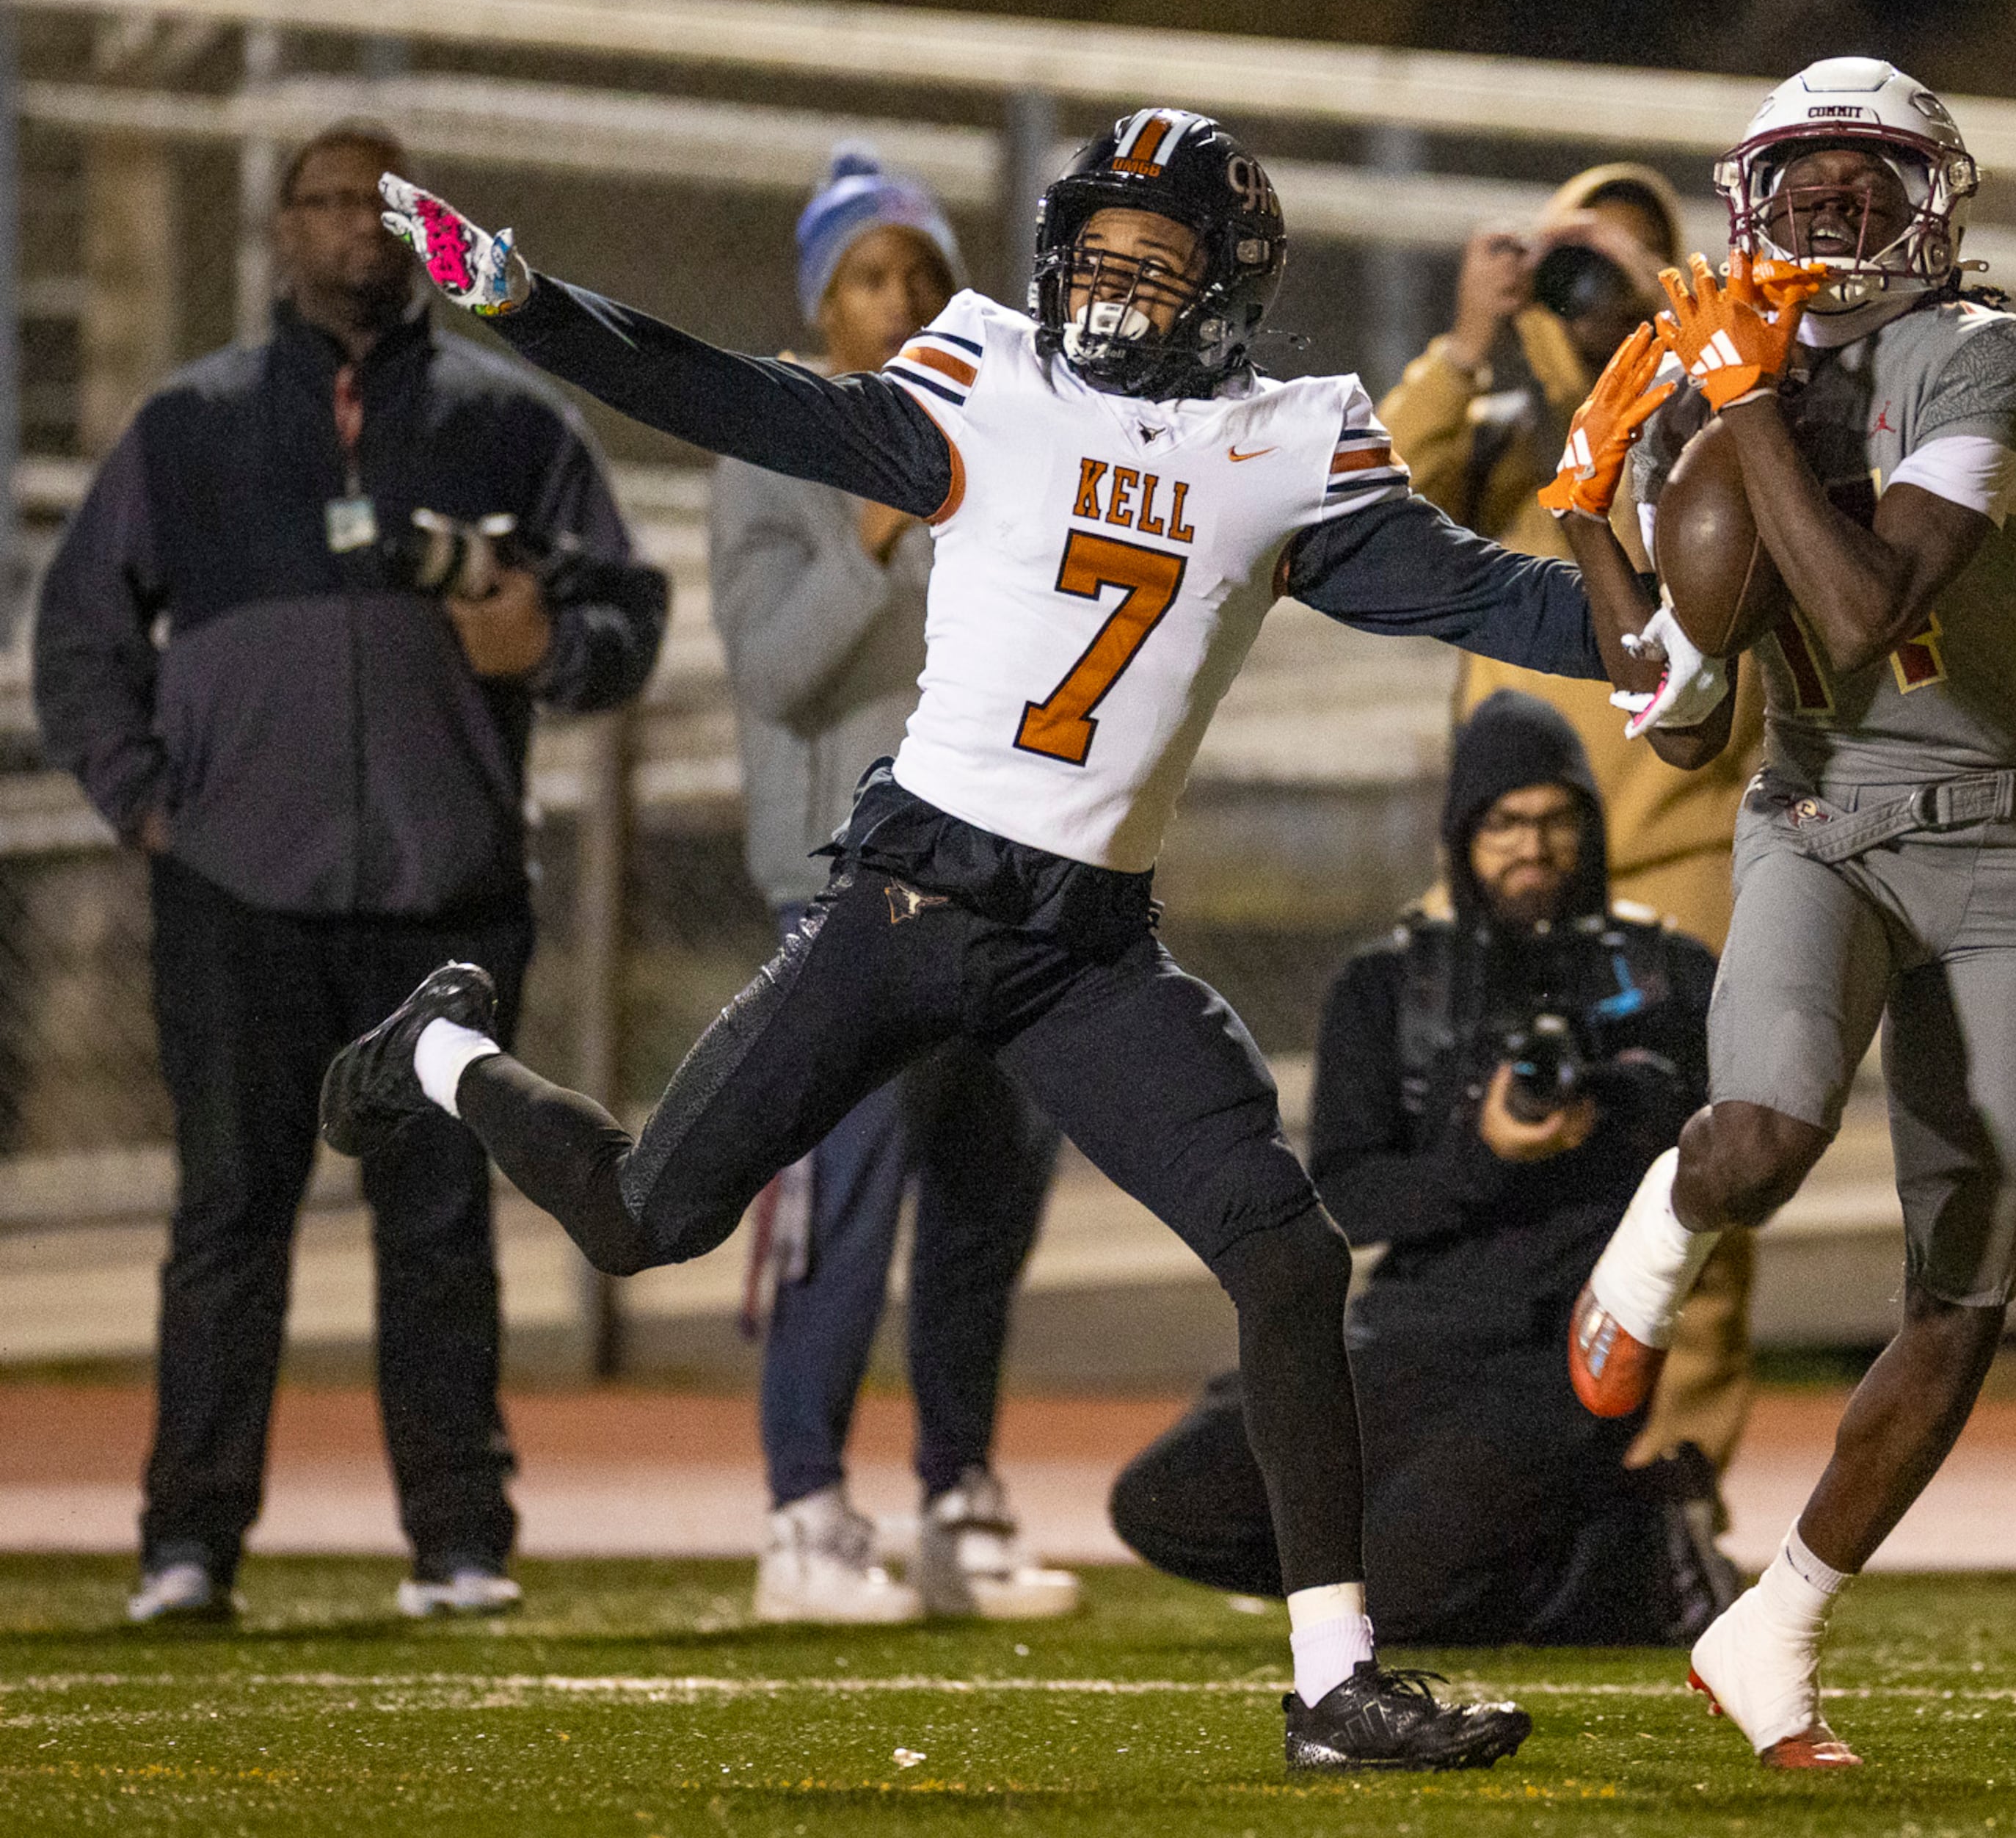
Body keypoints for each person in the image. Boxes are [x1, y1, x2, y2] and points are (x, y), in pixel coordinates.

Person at [322, 106, 1665, 1771]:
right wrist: (534, 306)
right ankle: (438, 1045)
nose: (1110, 289)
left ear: (1229, 282)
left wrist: (1669, 612)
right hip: (906, 901)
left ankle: (1336, 1684)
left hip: (1084, 948)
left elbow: (1497, 599)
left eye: (1152, 261)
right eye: (1093, 252)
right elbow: (741, 397)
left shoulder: (1289, 442)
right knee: (642, 1217)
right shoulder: (985, 377)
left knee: (1289, 1251)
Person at [31, 120, 667, 1624]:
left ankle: (458, 1541)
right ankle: (188, 1547)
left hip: (448, 902)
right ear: (279, 231)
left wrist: (552, 647)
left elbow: (624, 614)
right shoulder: (183, 429)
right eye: (325, 202)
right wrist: (148, 809)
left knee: (442, 1228)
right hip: (236, 895)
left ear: (425, 229)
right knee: (229, 1221)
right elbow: (78, 641)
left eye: (384, 204)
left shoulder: (514, 425)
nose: (355, 229)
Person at [1550, 59, 2016, 1766]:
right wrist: (1590, 516)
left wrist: (1747, 414)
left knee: (1967, 1286)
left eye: (1875, 171)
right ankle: (1660, 1231)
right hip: (1815, 821)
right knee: (1766, 1135)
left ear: (1933, 194)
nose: (1843, 197)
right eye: (1816, 171)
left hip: (1996, 842)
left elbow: (1862, 610)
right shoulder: (1725, 402)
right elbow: (1687, 715)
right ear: (1758, 195)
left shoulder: (1988, 350)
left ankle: (1772, 1622)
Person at [1110, 691, 1733, 1646]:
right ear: (1463, 833)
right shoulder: (1386, 986)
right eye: (1506, 823)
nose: (1534, 846)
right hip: (1404, 1344)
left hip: (1558, 1357)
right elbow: (1349, 1199)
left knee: (1393, 1599)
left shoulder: (1666, 977)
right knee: (1163, 1504)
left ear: (1592, 824)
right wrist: (1482, 1157)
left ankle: (1638, 1554)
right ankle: (1564, 1542)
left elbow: (1722, 1170)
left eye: (1559, 819)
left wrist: (1613, 1111)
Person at [715, 147, 1073, 1624]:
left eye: (925, 272)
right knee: (841, 1205)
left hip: (996, 884)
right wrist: (874, 527)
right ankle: (803, 1510)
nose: (906, 298)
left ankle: (954, 1497)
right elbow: (775, 670)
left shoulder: (998, 445)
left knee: (990, 1195)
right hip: (846, 891)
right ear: (826, 301)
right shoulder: (772, 449)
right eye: (873, 276)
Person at [1379, 161, 1770, 1483]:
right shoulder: (1500, 420)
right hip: (1506, 871)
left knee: (1690, 1180)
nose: (1597, 282)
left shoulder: (1732, 399)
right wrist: (1469, 339)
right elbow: (1368, 507)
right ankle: (1486, 1469)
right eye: (1578, 256)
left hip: (1683, 847)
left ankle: (1677, 1487)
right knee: (1480, 1158)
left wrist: (1668, 324)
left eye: (1634, 253)